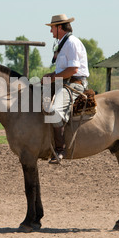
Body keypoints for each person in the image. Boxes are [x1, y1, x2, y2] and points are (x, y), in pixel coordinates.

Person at [43, 14, 89, 164]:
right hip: (64, 82)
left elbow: (73, 70)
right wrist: (51, 75)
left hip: (74, 84)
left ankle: (60, 150)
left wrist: (53, 78)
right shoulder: (64, 43)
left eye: (52, 28)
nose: (50, 31)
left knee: (54, 110)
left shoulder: (71, 43)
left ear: (59, 27)